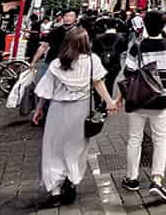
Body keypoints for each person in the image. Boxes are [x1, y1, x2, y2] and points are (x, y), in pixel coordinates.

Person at [33, 27, 118, 206]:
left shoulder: (57, 63)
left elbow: (46, 90)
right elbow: (99, 84)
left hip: (57, 109)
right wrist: (110, 102)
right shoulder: (93, 61)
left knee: (53, 149)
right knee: (76, 148)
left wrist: (39, 109)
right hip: (80, 111)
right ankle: (71, 182)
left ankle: (55, 191)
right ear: (86, 43)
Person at [118, 10, 166, 203]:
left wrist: (118, 99)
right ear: (163, 26)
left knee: (134, 138)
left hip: (138, 99)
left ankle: (132, 178)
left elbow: (128, 73)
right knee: (160, 139)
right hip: (161, 99)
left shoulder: (137, 46)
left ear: (144, 24)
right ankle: (156, 179)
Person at [31, 10, 78, 85]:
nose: (68, 18)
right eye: (66, 16)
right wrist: (33, 61)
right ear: (63, 17)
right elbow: (43, 46)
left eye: (71, 16)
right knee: (40, 84)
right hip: (51, 61)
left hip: (68, 65)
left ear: (76, 18)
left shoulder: (78, 33)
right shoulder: (55, 31)